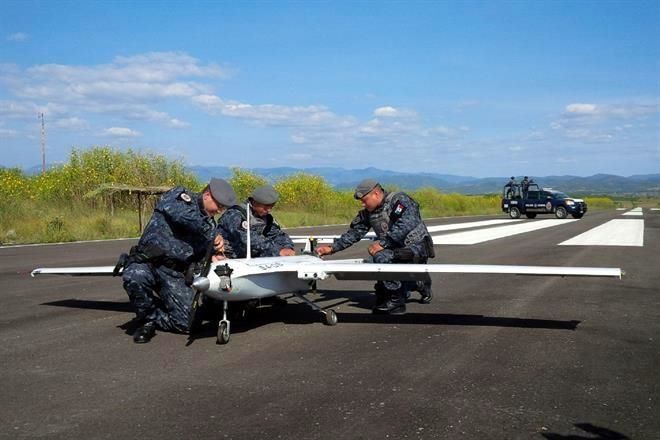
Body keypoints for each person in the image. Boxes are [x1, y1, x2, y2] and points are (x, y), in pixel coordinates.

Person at [119, 178, 237, 343]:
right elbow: (181, 215)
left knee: (187, 324)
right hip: (149, 262)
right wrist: (211, 235)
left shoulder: (210, 225)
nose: (219, 211)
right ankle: (146, 319)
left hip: (174, 273)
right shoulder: (181, 196)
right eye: (219, 206)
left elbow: (207, 249)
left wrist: (215, 254)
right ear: (208, 195)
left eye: (223, 209)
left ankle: (155, 315)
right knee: (134, 276)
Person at [315, 179, 434, 315]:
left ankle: (396, 301)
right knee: (382, 269)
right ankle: (417, 283)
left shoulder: (399, 201)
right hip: (394, 248)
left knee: (382, 257)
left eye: (365, 200)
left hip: (416, 247)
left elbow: (406, 225)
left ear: (376, 194)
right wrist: (332, 248)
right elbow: (355, 233)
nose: (362, 204)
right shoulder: (369, 212)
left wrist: (383, 243)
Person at [216, 184, 296, 258]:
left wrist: (287, 247)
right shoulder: (235, 214)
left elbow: (277, 234)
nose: (269, 210)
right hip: (227, 257)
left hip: (250, 258)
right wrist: (277, 251)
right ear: (254, 202)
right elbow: (248, 239)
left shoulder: (265, 218)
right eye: (265, 207)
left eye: (271, 207)